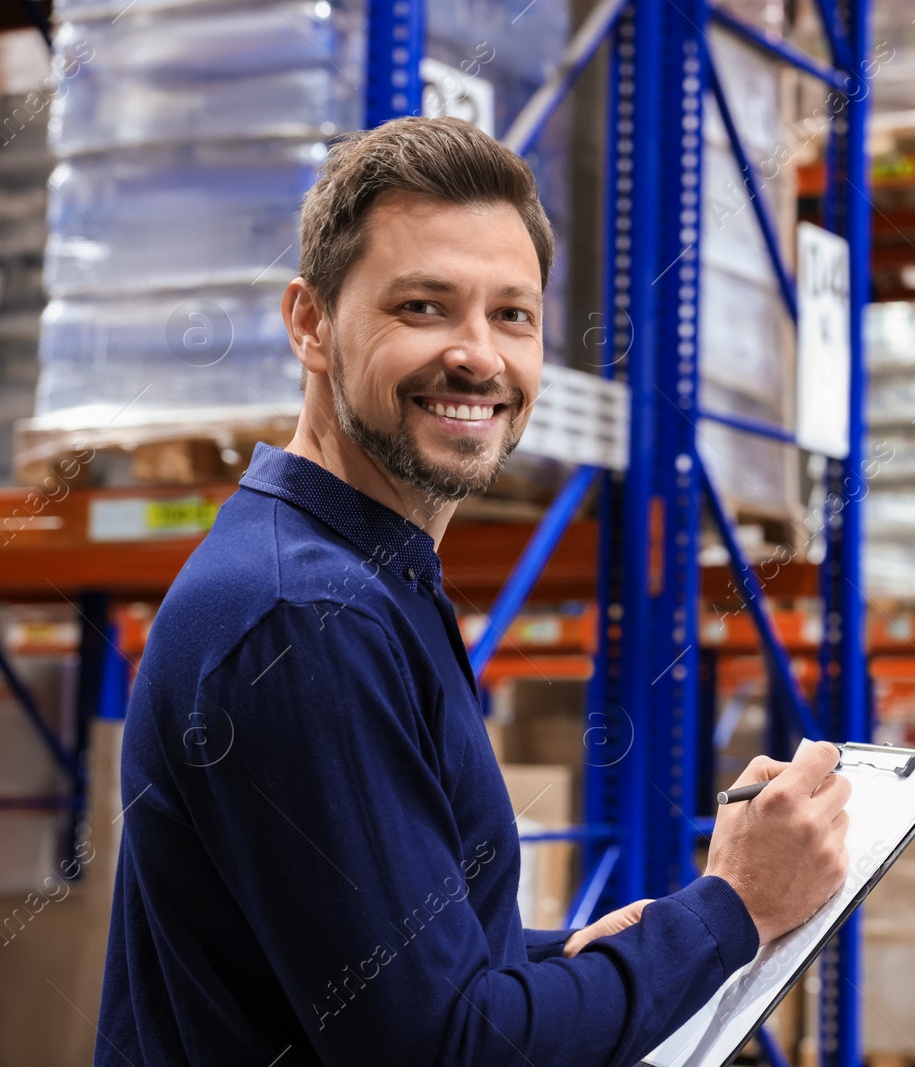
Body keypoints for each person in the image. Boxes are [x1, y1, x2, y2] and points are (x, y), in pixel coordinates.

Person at [95, 116, 851, 1066]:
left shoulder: (363, 574)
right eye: (423, 306)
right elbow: (447, 1048)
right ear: (310, 323)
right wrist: (730, 910)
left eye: (513, 315)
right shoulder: (306, 616)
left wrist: (579, 954)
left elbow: (376, 972)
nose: (479, 356)